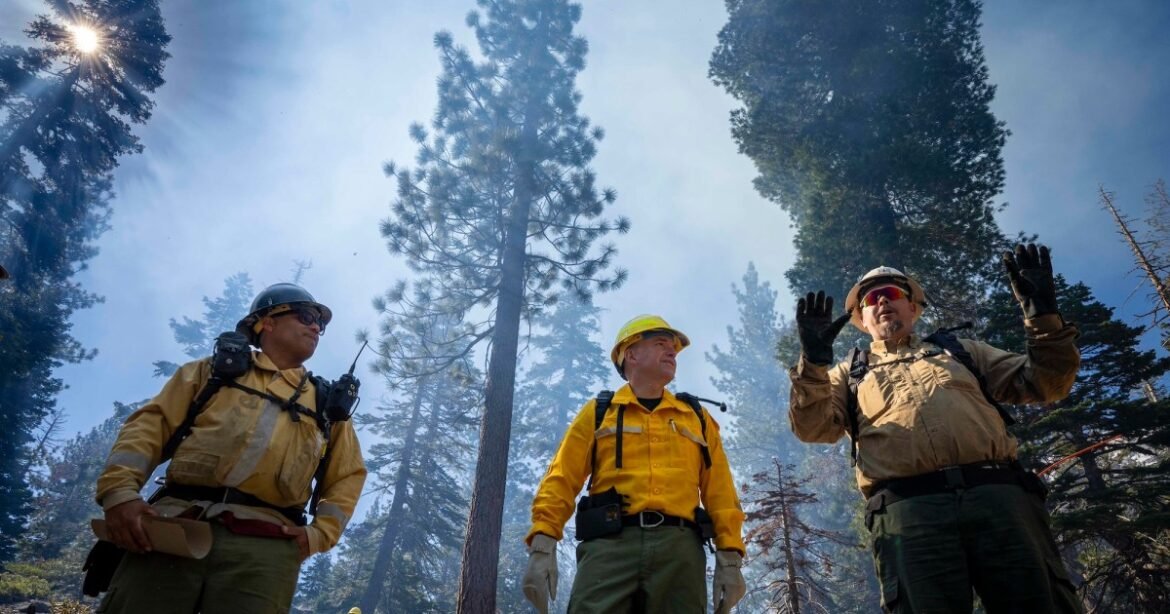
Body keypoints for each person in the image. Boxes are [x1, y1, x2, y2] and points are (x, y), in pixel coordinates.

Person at [788, 244, 1082, 613]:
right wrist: (813, 364)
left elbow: (1048, 382)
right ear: (861, 318)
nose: (882, 301)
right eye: (871, 298)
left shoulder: (962, 351)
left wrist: (1043, 317)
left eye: (892, 293)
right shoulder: (848, 372)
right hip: (909, 510)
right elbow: (813, 428)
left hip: (999, 497)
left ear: (913, 307)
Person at [94, 282, 367, 613]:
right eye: (306, 316)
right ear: (266, 321)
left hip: (266, 548)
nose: (315, 327)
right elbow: (149, 427)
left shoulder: (326, 406)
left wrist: (318, 535)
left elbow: (347, 476)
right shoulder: (209, 374)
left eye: (319, 324)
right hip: (171, 528)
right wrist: (120, 494)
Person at [522, 314, 747, 614]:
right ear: (631, 354)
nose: (672, 351)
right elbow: (561, 478)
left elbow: (720, 491)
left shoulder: (696, 417)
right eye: (661, 343)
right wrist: (542, 546)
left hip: (679, 552)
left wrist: (730, 558)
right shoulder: (599, 413)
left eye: (674, 348)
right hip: (609, 547)